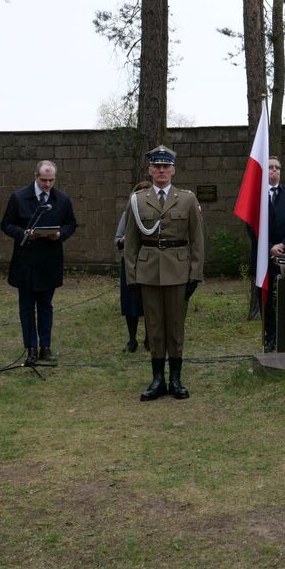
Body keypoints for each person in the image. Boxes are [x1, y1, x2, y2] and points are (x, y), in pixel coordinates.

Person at [123, 145, 205, 401]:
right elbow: (131, 243)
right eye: (156, 166)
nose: (161, 170)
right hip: (148, 271)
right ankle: (158, 379)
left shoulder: (188, 199)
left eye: (165, 166)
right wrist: (132, 276)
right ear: (149, 170)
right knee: (155, 326)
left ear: (173, 170)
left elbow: (197, 240)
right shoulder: (137, 200)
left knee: (175, 326)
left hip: (179, 271)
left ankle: (176, 379)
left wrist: (195, 274)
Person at [0, 160, 77, 363]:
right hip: (25, 262)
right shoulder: (18, 197)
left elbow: (71, 223)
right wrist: (23, 233)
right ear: (35, 176)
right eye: (43, 180)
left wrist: (60, 234)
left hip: (49, 262)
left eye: (51, 180)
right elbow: (6, 224)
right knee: (26, 307)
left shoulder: (62, 199)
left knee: (46, 306)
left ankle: (46, 347)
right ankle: (31, 348)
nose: (47, 185)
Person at [246, 156, 285, 352]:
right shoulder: (255, 197)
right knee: (266, 300)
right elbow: (250, 226)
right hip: (262, 256)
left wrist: (282, 244)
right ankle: (270, 337)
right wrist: (269, 247)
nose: (274, 170)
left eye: (277, 168)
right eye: (270, 167)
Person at [115, 181, 151, 353]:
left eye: (146, 192)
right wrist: (124, 240)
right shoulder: (127, 214)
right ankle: (132, 340)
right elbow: (117, 240)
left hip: (151, 263)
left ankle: (150, 339)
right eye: (140, 192)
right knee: (131, 303)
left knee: (151, 303)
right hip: (130, 263)